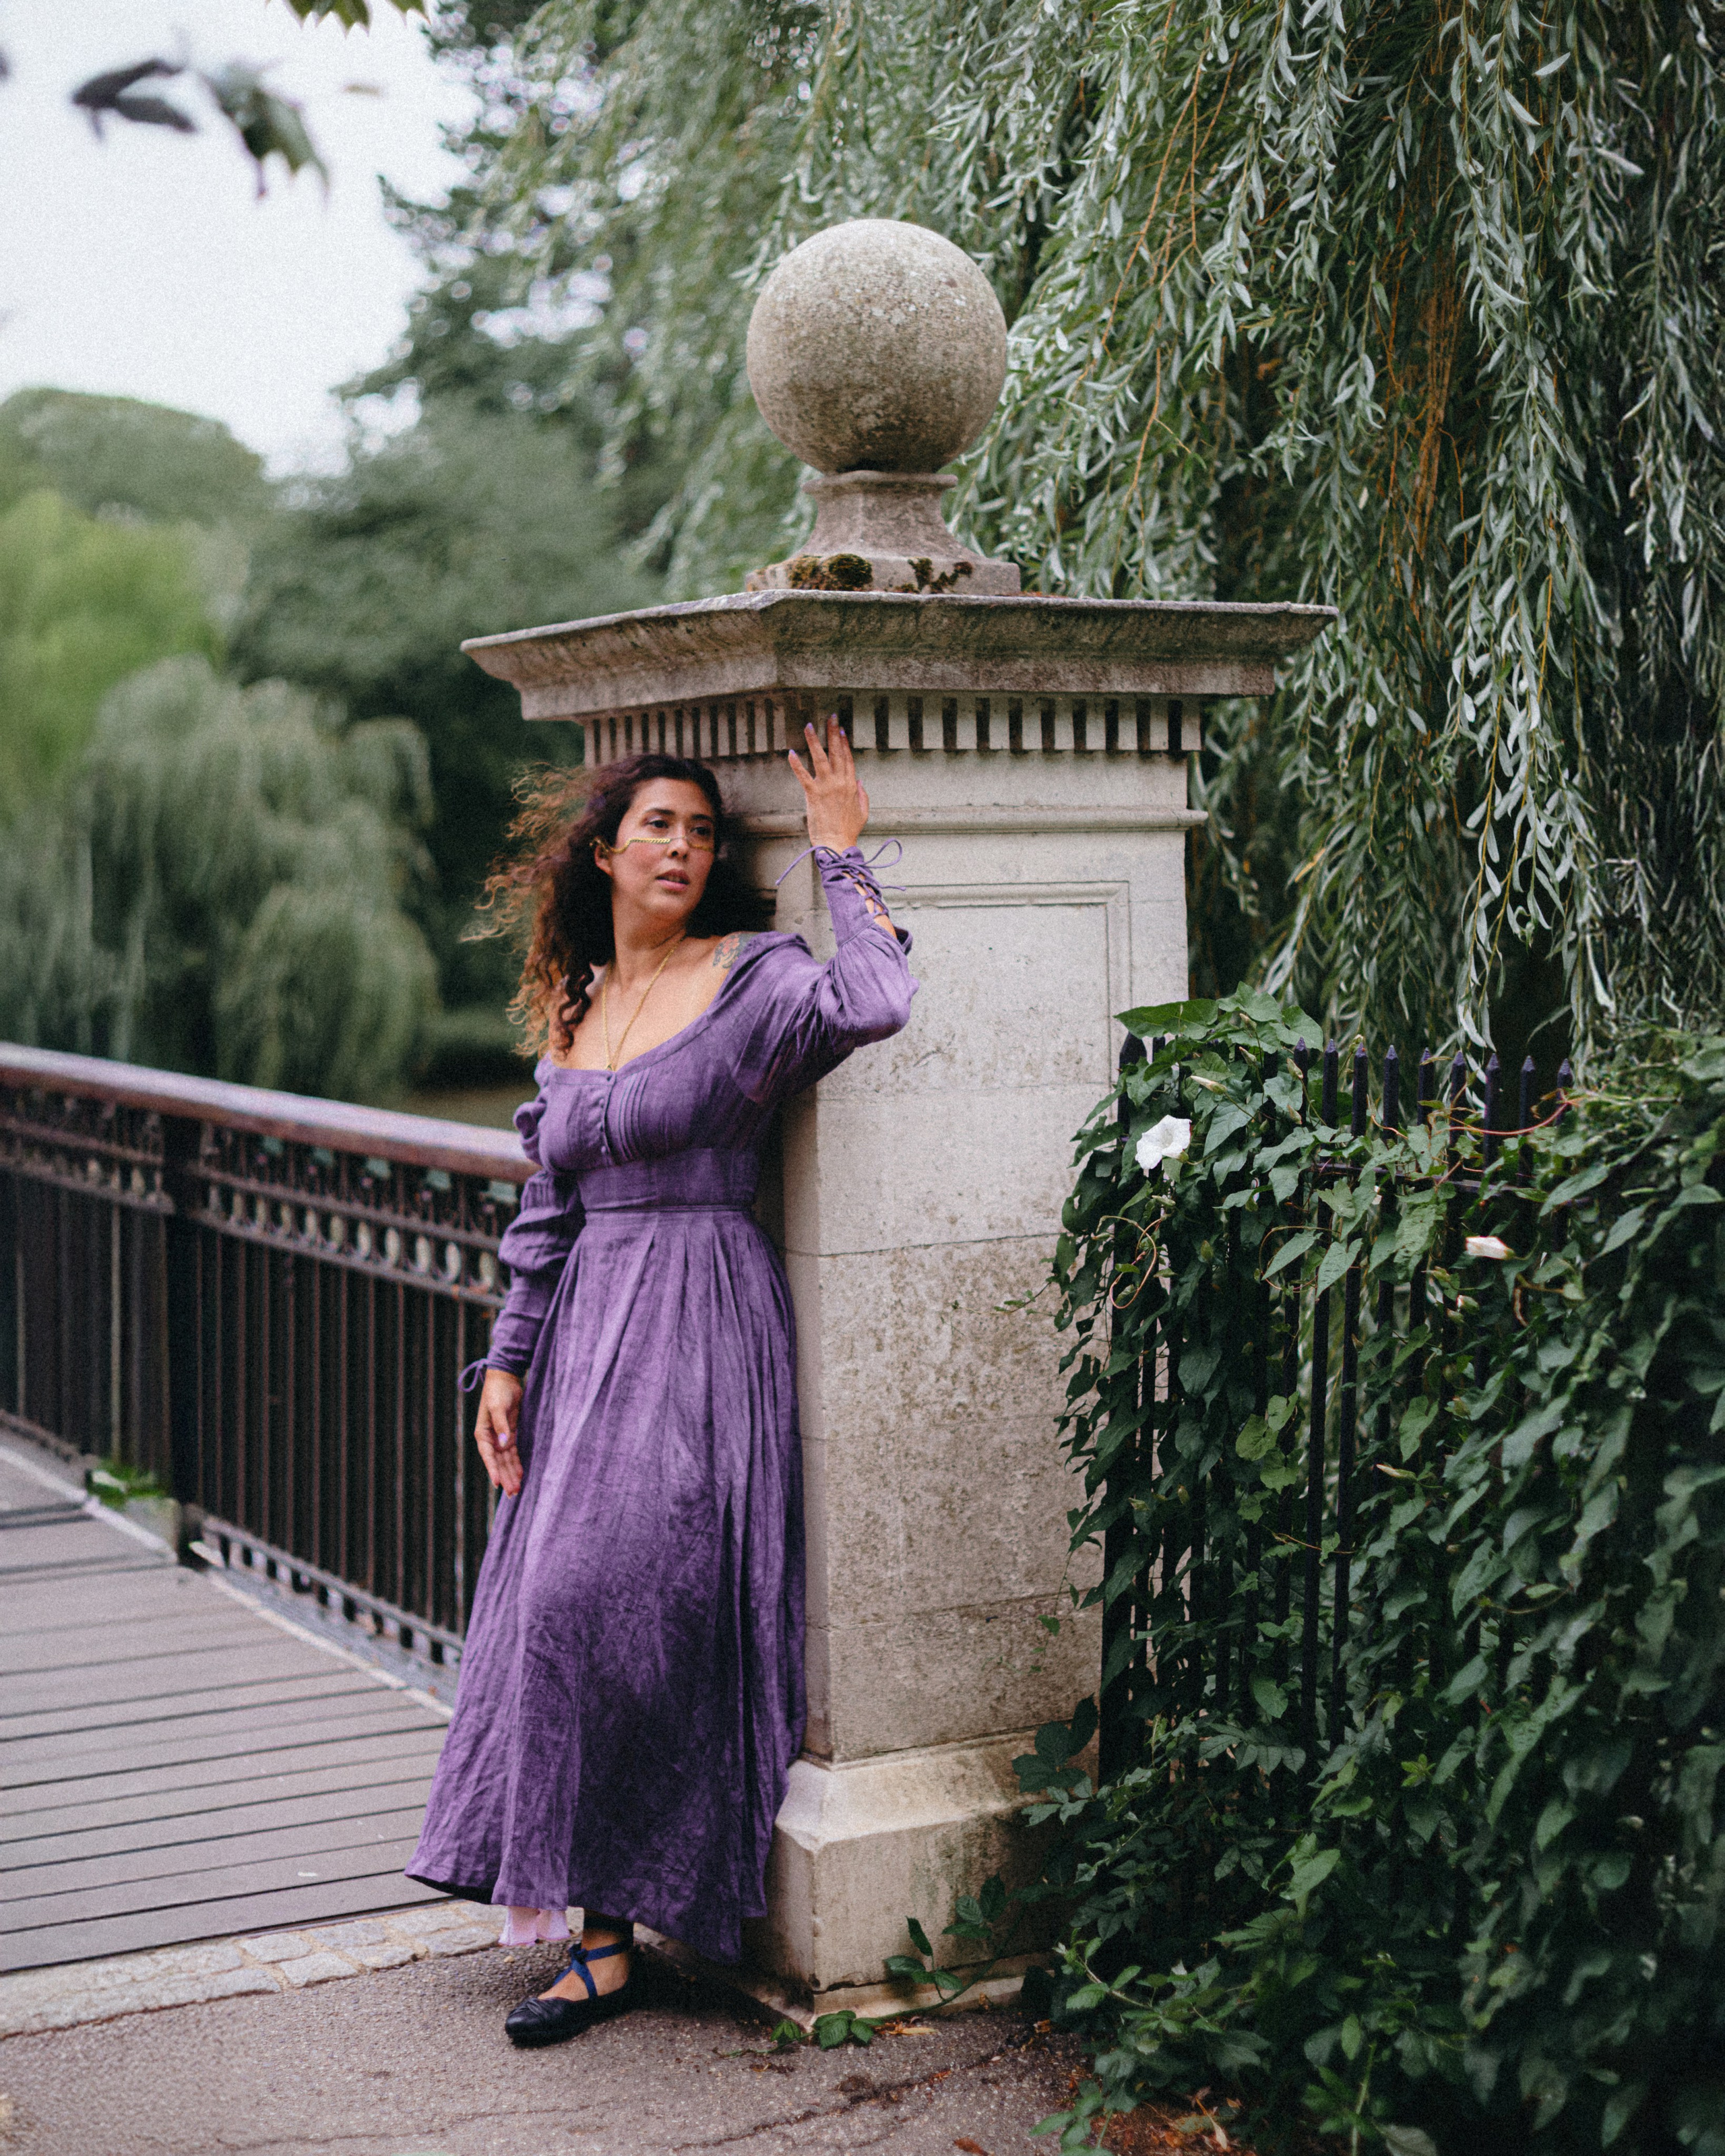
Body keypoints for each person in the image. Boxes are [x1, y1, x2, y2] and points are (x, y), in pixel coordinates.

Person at [406, 718, 916, 2048]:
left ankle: (648, 1903)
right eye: (659, 826)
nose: (684, 845)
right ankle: (601, 1937)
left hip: (699, 1316)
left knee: (615, 1599)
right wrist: (508, 1356)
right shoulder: (577, 1000)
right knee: (551, 1607)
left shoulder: (749, 976)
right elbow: (548, 1197)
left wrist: (842, 851)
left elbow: (873, 1002)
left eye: (701, 830)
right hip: (585, 1333)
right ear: (604, 853)